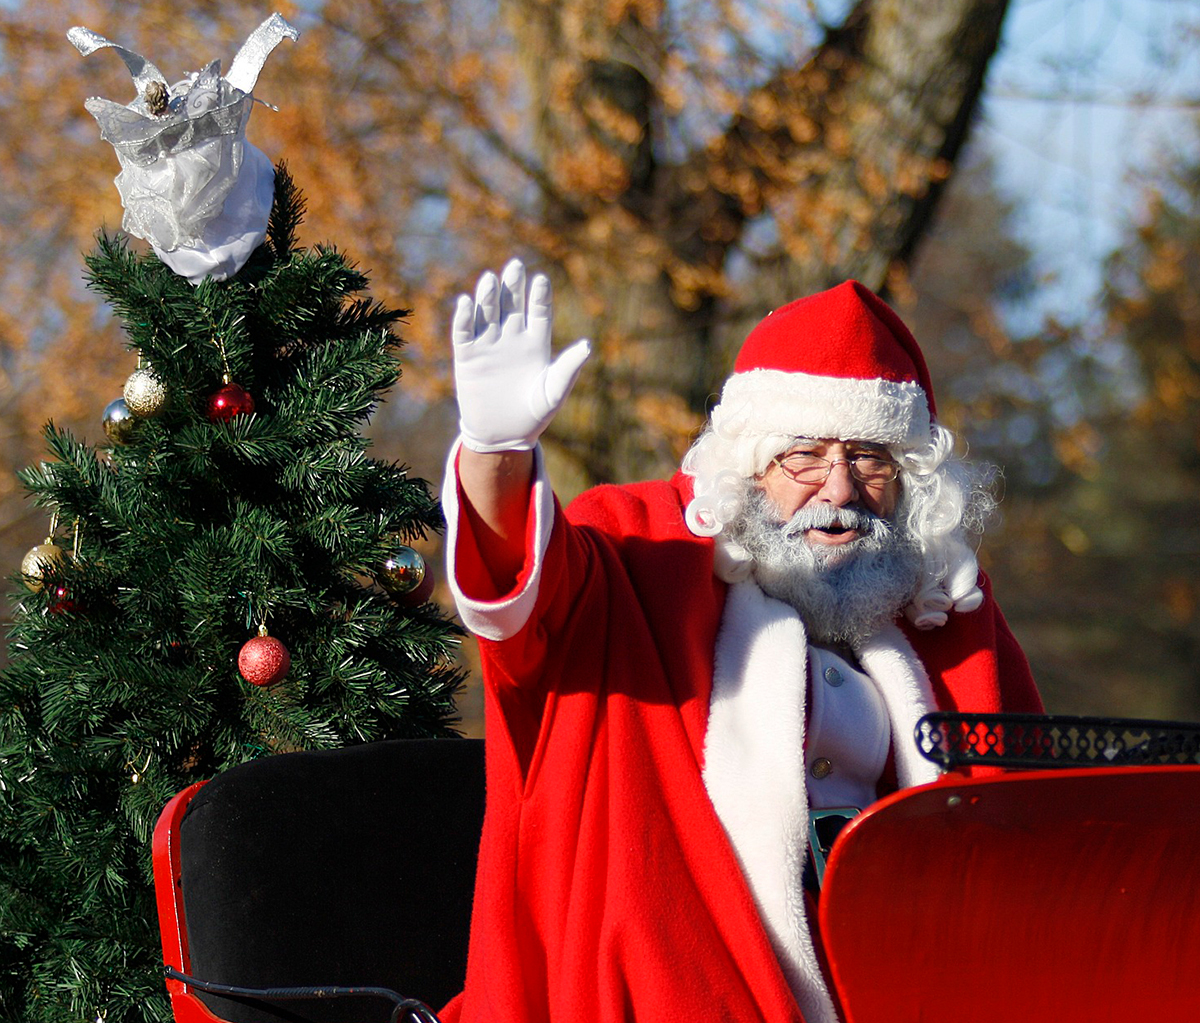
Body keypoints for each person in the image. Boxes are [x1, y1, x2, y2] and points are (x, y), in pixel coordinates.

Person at [439, 259, 1043, 1023]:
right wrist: (498, 451)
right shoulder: (643, 555)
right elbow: (520, 594)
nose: (840, 489)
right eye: (805, 455)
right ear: (751, 468)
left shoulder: (947, 611)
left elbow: (1036, 831)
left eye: (869, 458)